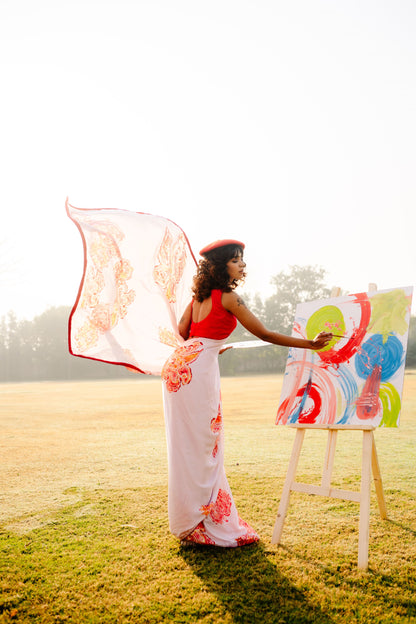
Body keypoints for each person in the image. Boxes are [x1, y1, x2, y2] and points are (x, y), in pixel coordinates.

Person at [161, 239, 333, 547]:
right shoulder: (228, 297)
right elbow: (264, 333)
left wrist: (209, 347)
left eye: (242, 260)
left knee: (187, 445)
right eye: (236, 260)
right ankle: (203, 522)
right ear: (221, 265)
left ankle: (191, 519)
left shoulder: (197, 299)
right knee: (204, 445)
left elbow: (187, 334)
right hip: (196, 371)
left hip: (178, 367)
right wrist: (311, 344)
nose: (242, 265)